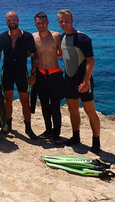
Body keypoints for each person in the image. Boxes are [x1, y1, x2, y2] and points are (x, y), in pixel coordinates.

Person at [57, 9, 101, 153]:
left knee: (90, 111)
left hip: (83, 80)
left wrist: (86, 81)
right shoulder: (63, 37)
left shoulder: (82, 38)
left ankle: (96, 142)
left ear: (72, 21)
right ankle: (76, 137)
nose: (64, 23)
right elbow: (62, 55)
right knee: (73, 110)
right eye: (61, 21)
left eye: (67, 21)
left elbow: (91, 60)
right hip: (69, 79)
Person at [0, 11, 38, 140]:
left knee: (25, 101)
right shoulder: (2, 37)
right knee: (8, 100)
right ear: (6, 21)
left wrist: (33, 73)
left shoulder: (28, 37)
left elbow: (33, 56)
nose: (11, 22)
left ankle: (28, 128)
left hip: (22, 72)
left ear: (18, 20)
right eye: (9, 20)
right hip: (7, 71)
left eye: (13, 19)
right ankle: (8, 125)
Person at [32, 12, 63, 143]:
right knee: (44, 104)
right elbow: (33, 57)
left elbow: (61, 53)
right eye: (38, 23)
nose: (41, 25)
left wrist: (49, 56)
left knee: (55, 105)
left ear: (48, 22)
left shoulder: (56, 36)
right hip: (40, 74)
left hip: (54, 74)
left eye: (43, 22)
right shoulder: (33, 37)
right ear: (35, 24)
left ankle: (56, 134)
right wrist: (33, 74)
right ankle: (48, 130)